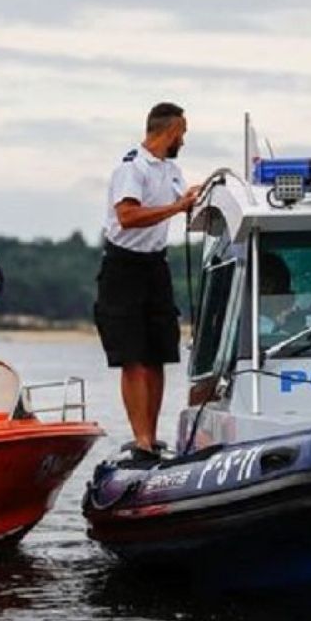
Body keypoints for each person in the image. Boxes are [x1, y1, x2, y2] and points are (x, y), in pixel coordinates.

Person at [94, 101, 202, 459]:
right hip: (123, 267)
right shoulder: (132, 168)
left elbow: (185, 203)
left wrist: (194, 199)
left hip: (156, 265)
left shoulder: (171, 169)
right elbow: (127, 216)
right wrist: (176, 209)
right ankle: (139, 438)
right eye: (182, 134)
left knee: (157, 354)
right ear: (170, 132)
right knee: (133, 355)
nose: (183, 141)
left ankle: (152, 438)